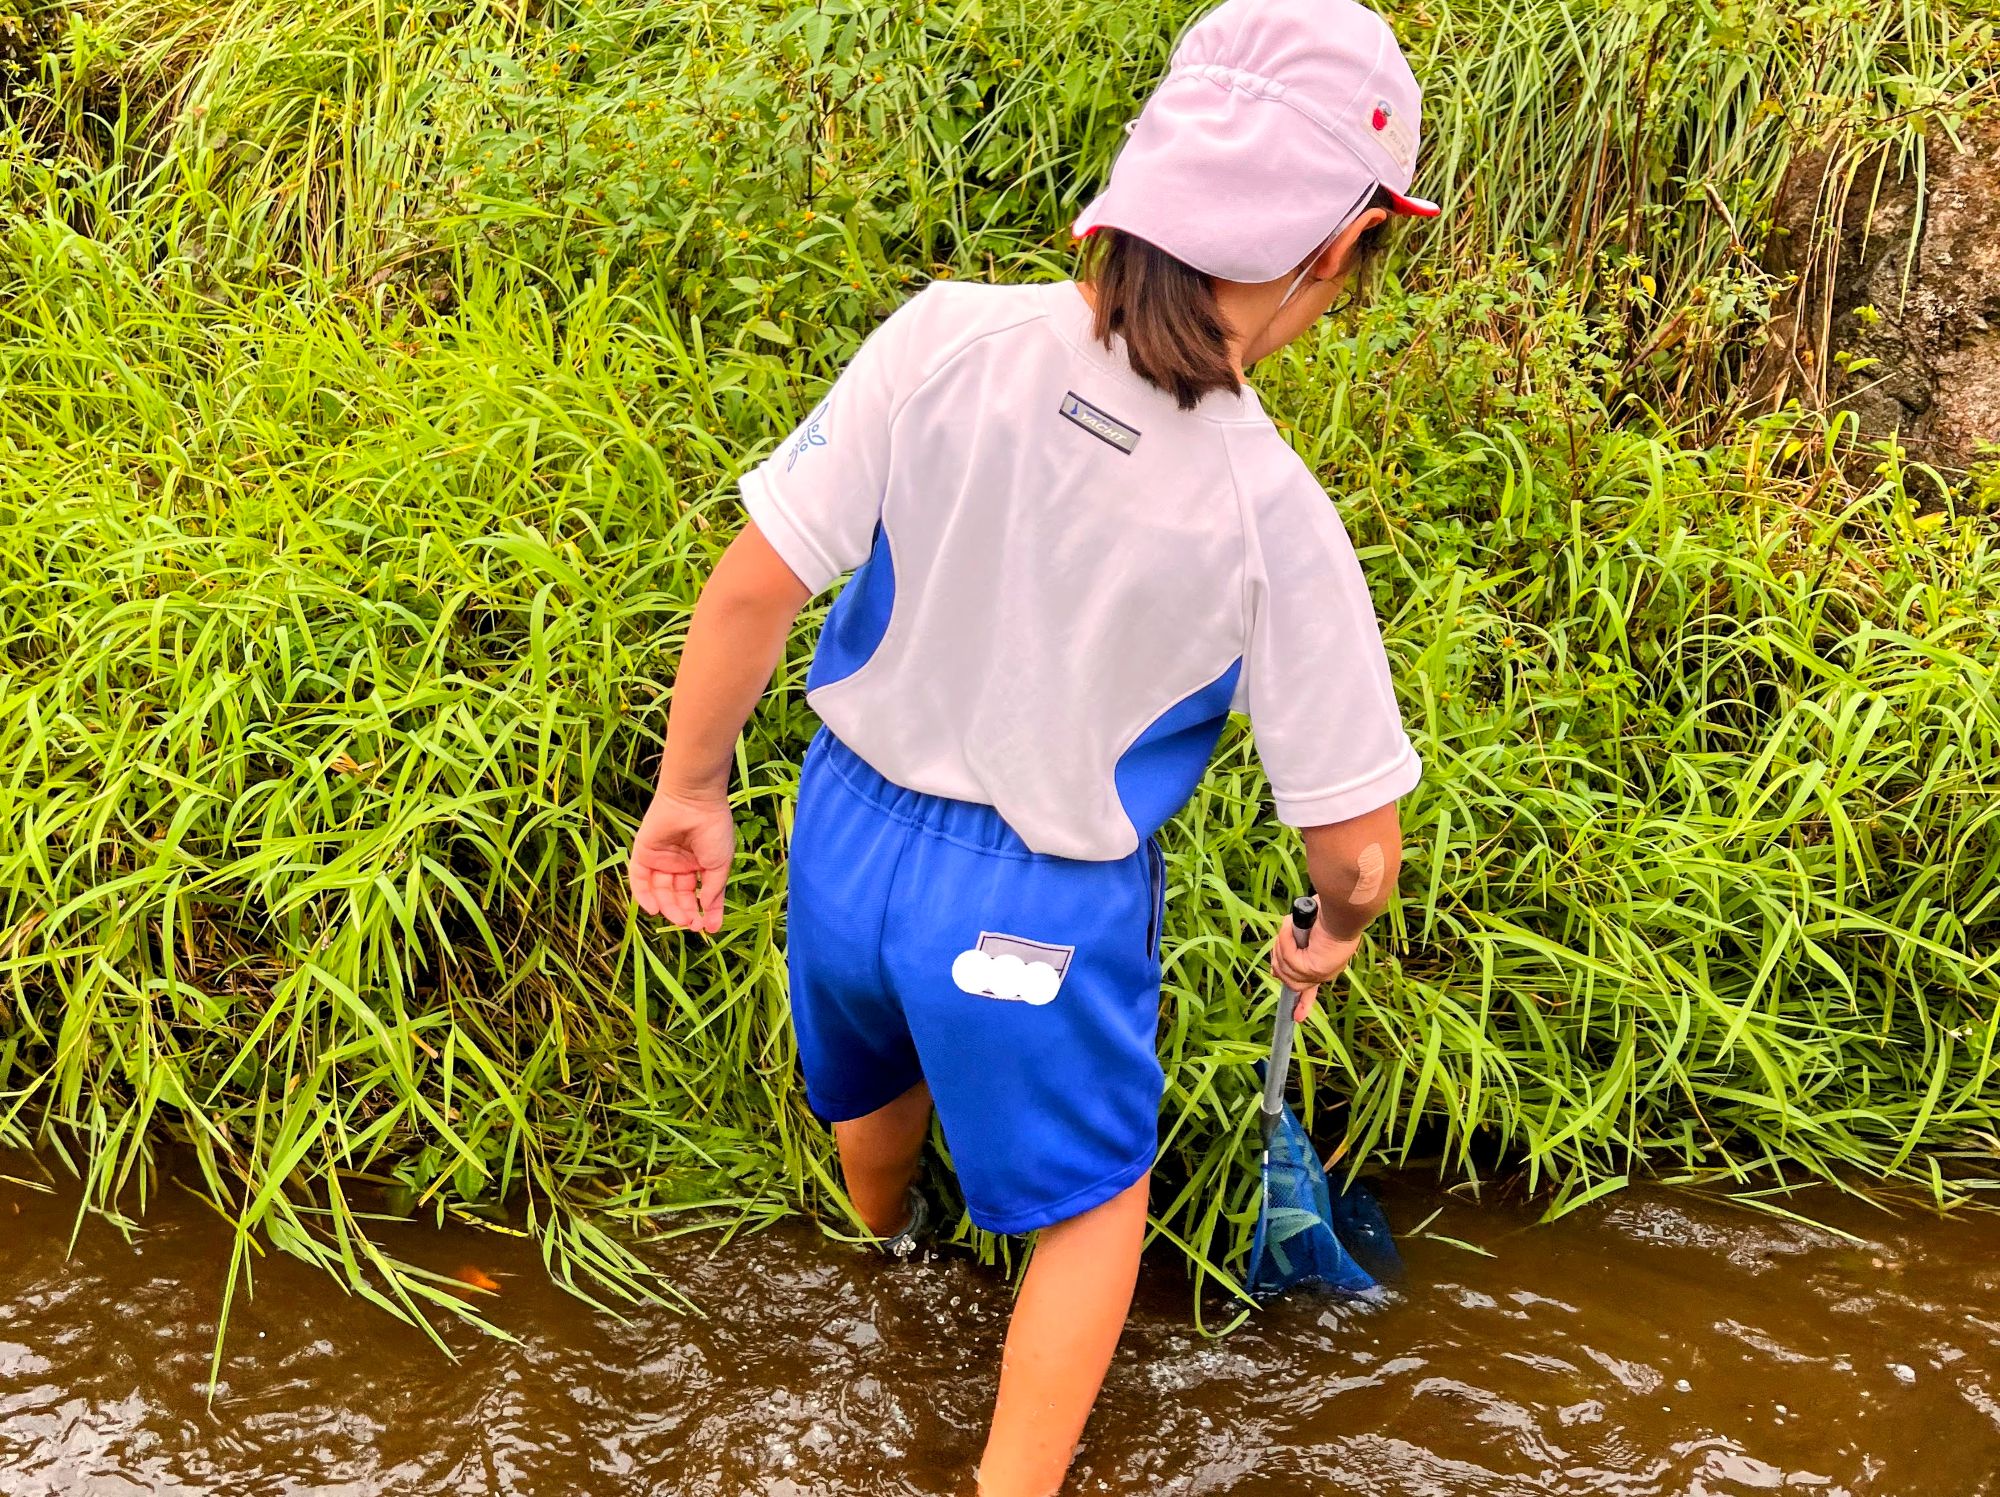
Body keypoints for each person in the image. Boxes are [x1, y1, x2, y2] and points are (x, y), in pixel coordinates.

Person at [627, 0, 1439, 1489]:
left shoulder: (948, 334)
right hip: (1033, 915)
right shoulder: (1272, 511)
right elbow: (1359, 849)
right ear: (1341, 249)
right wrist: (1332, 932)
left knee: (871, 1092)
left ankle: (888, 1254)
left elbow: (750, 585)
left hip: (842, 839)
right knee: (1092, 1210)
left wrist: (690, 792)